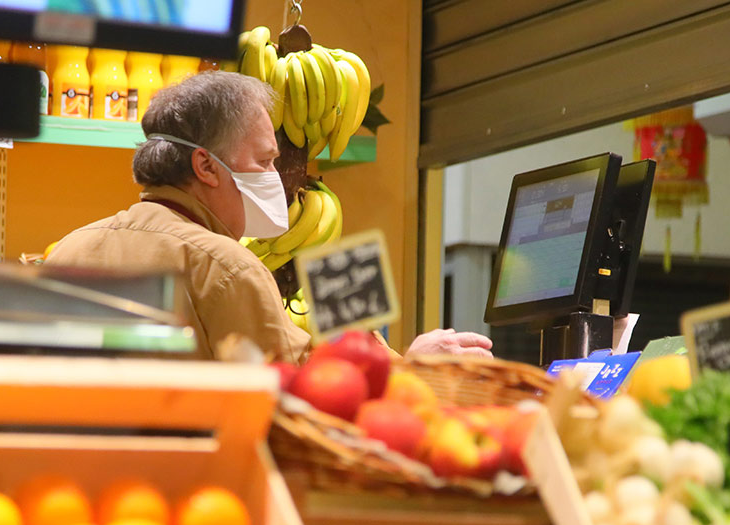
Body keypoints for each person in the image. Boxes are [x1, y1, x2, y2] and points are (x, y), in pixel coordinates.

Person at [46, 71, 492, 361]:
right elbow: (292, 399)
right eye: (263, 162)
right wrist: (413, 368)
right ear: (205, 167)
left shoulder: (71, 248)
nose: (275, 179)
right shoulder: (226, 267)